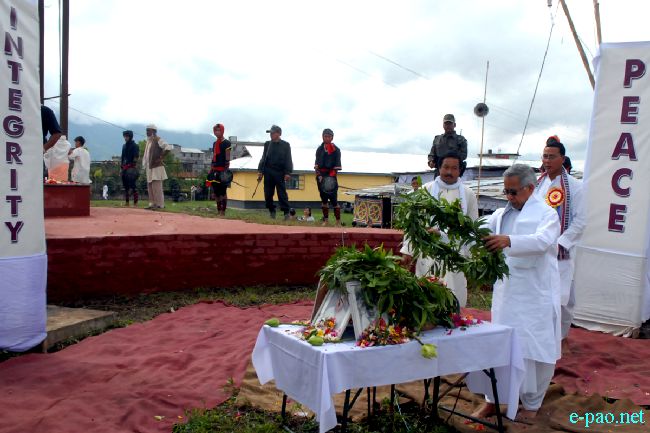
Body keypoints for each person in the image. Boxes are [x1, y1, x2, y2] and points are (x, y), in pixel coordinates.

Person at [473, 164, 561, 421]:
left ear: (530, 188)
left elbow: (543, 241)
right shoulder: (500, 214)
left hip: (535, 294)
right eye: (506, 192)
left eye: (513, 192)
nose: (509, 197)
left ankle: (531, 405)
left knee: (534, 349)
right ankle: (493, 399)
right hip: (507, 294)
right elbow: (474, 230)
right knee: (500, 345)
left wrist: (509, 240)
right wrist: (444, 232)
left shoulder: (547, 214)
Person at [400, 152, 479, 307]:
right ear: (439, 168)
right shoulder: (425, 190)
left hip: (455, 255)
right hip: (428, 254)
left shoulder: (468, 194)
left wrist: (470, 258)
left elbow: (472, 228)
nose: (449, 172)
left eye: (454, 168)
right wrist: (407, 251)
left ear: (460, 170)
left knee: (454, 299)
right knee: (426, 299)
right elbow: (413, 224)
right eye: (446, 167)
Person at [534, 136, 585, 340]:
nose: (547, 161)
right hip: (538, 248)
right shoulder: (537, 184)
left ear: (562, 159)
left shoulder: (575, 186)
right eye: (545, 156)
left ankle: (559, 338)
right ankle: (541, 336)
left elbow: (581, 221)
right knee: (539, 294)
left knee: (562, 298)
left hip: (561, 251)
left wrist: (560, 243)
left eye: (552, 157)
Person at [258, 125, 293, 219]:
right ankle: (271, 211)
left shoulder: (286, 145)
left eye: (273, 133)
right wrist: (260, 171)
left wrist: (288, 172)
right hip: (268, 171)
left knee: (282, 193)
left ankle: (286, 212)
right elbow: (263, 158)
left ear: (279, 133)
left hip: (280, 172)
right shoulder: (267, 144)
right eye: (270, 133)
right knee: (268, 193)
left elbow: (288, 159)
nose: (271, 134)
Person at [314, 128, 343, 226]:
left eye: (329, 136)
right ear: (322, 137)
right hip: (321, 177)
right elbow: (316, 165)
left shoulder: (336, 150)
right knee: (324, 199)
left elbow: (336, 167)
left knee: (334, 200)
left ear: (332, 138)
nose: (327, 138)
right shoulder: (319, 149)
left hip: (331, 176)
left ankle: (338, 221)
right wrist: (319, 175)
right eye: (325, 136)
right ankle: (326, 220)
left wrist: (329, 178)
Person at [142, 124, 172, 210]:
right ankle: (152, 204)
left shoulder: (158, 139)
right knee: (150, 186)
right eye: (146, 130)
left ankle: (160, 205)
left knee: (157, 186)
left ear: (154, 131)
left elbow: (168, 148)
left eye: (148, 130)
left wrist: (161, 157)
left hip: (157, 167)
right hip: (149, 167)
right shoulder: (148, 141)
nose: (147, 132)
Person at [209, 123, 232, 216]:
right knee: (216, 192)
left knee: (223, 192)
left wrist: (225, 171)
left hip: (223, 170)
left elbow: (227, 157)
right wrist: (211, 169)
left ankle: (223, 211)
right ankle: (218, 210)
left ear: (222, 131)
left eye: (219, 130)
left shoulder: (227, 143)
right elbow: (214, 156)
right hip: (215, 169)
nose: (217, 132)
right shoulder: (215, 143)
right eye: (216, 130)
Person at [120, 130, 139, 207]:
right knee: (125, 186)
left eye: (127, 136)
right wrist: (121, 167)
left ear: (130, 136)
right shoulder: (124, 146)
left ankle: (135, 203)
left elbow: (136, 156)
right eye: (124, 136)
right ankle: (127, 202)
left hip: (132, 167)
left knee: (133, 185)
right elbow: (122, 157)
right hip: (125, 167)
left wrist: (133, 164)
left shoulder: (135, 146)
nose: (125, 138)